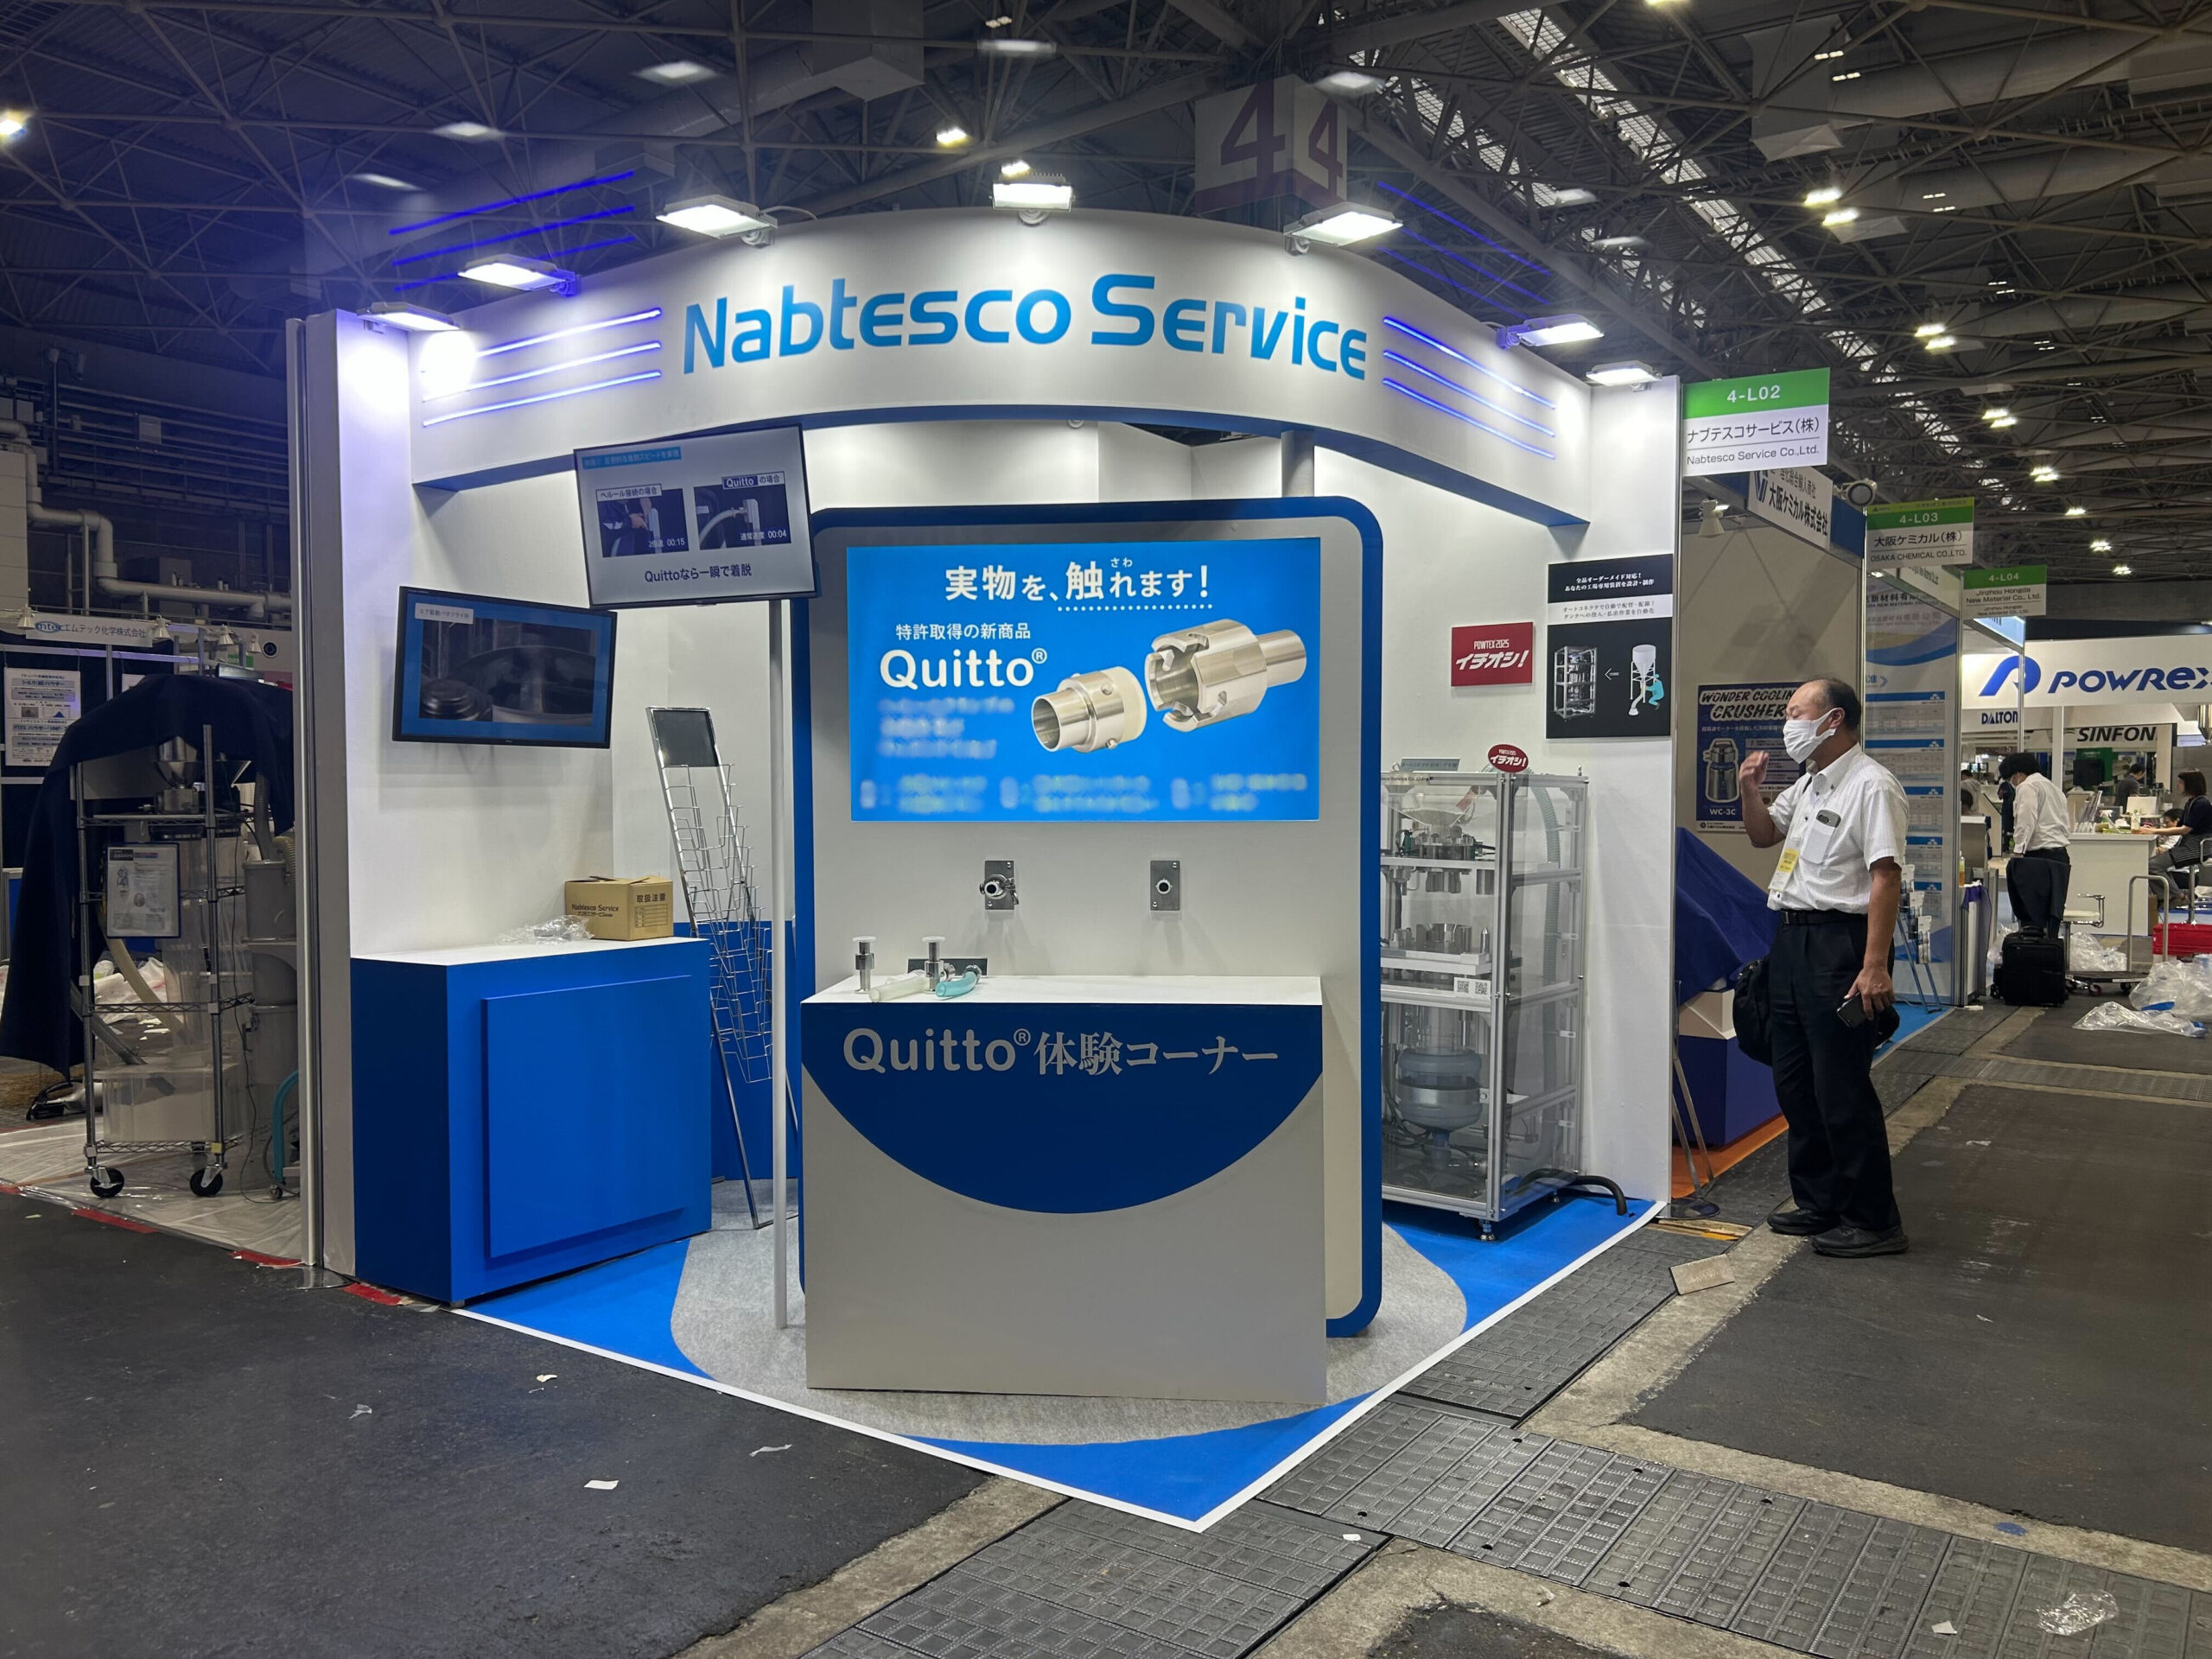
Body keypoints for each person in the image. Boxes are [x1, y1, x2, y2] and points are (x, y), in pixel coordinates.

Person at [1738, 678, 1909, 1259]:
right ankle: (1821, 1201)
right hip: (1792, 940)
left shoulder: (1871, 785)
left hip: (1841, 945)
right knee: (1795, 1081)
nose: (1787, 724)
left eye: (1795, 712)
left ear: (1833, 719)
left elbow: (1886, 876)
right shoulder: (1811, 782)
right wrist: (1750, 791)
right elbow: (1764, 835)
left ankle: (1874, 1220)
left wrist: (1874, 964)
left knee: (1841, 1086)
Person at [1999, 753, 2071, 935]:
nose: (2013, 783)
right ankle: (2050, 947)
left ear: (2018, 774)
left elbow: (2026, 819)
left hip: (2038, 858)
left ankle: (2032, 949)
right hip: (2060, 857)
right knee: (2053, 914)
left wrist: (2019, 850)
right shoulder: (2054, 788)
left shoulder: (2027, 786)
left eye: (2010, 779)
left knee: (2033, 917)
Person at [2151, 769, 2212, 885]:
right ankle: (2170, 893)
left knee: (2152, 865)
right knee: (2153, 864)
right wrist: (2154, 829)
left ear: (2190, 784)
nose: (2178, 785)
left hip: (2197, 848)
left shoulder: (2201, 804)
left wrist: (2153, 831)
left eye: (2181, 782)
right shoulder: (2191, 803)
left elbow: (2184, 830)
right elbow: (2179, 827)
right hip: (2190, 846)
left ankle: (2176, 894)